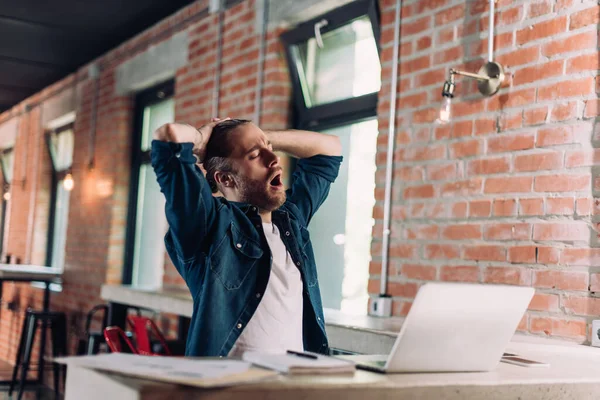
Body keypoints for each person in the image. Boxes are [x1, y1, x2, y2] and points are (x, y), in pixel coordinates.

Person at [152, 118, 342, 357]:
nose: (274, 160)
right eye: (254, 156)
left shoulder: (291, 221)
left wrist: (261, 137)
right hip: (228, 387)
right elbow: (169, 134)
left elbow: (330, 149)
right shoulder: (208, 226)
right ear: (225, 179)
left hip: (291, 384)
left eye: (270, 150)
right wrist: (201, 140)